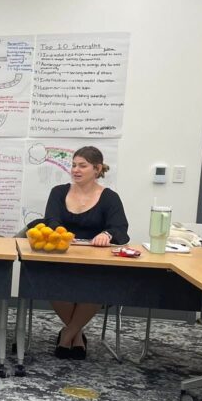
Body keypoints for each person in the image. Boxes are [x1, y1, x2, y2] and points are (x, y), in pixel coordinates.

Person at [44, 146, 129, 360]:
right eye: (73, 165)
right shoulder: (58, 192)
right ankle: (77, 333)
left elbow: (120, 228)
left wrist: (107, 234)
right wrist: (60, 232)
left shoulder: (110, 197)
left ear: (97, 169)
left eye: (82, 166)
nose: (75, 170)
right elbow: (50, 221)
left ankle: (67, 334)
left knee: (96, 287)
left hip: (95, 262)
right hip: (62, 258)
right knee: (47, 281)